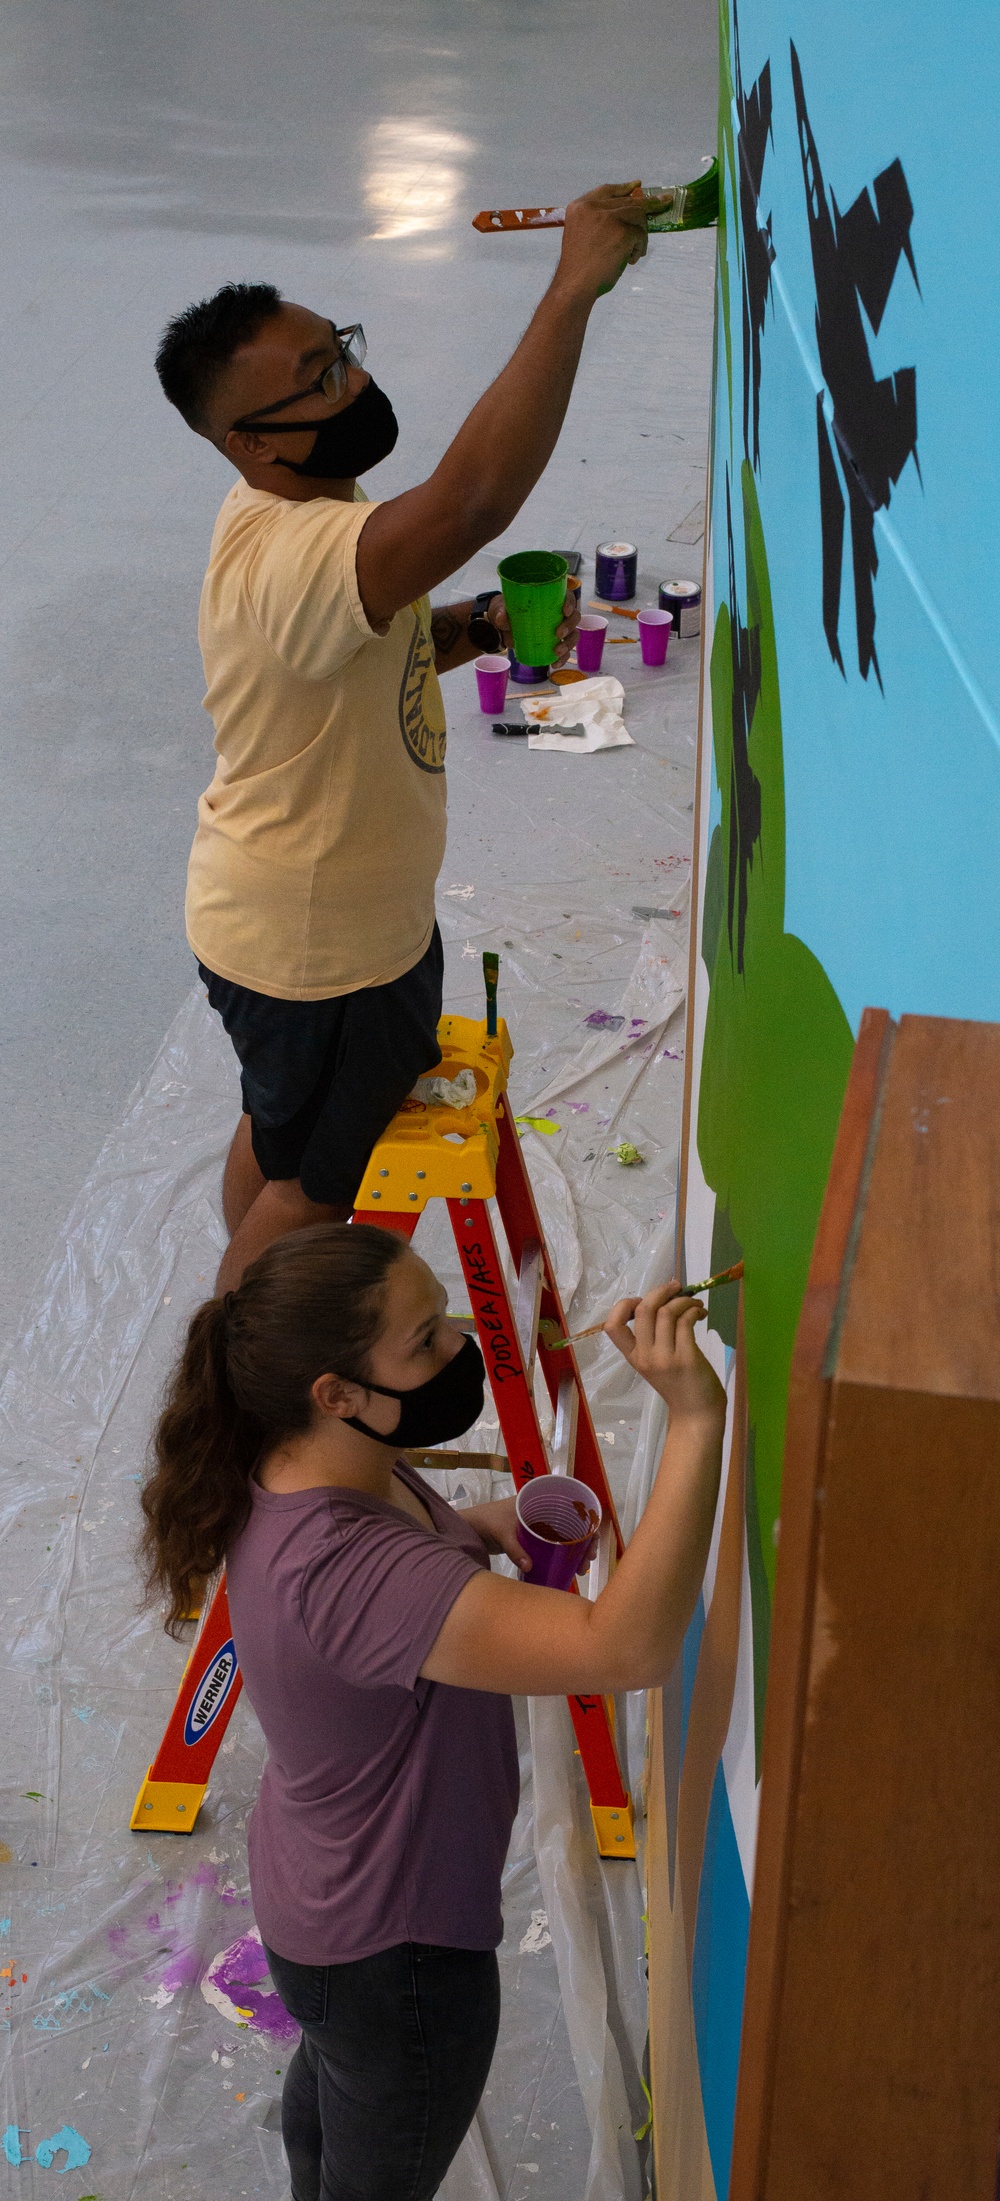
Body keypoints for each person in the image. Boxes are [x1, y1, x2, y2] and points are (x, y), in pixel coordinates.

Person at [140, 1223, 726, 2201]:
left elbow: (402, 1559)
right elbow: (626, 1647)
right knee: (372, 2145)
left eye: (443, 1314)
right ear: (336, 1391)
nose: (458, 1348)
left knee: (334, 2096)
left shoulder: (310, 1455)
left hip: (317, 1902)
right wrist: (696, 1418)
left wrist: (476, 1531)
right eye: (423, 1341)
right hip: (391, 1951)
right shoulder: (352, 1569)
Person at [153, 185, 649, 1293]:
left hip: (283, 924)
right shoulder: (302, 548)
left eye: (341, 352)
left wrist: (470, 625)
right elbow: (471, 500)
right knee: (313, 1192)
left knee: (283, 1140)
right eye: (317, 383)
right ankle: (233, 1400)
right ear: (249, 443)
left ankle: (246, 1329)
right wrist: (572, 288)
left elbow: (367, 634)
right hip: (326, 953)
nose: (356, 385)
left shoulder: (303, 514)